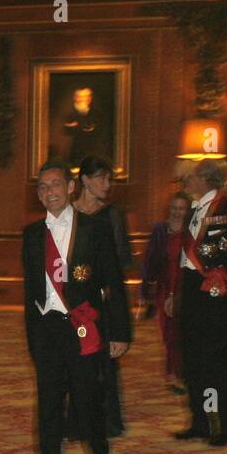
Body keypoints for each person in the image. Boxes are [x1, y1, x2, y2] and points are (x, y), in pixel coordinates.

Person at [23, 160, 130, 454]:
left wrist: (120, 332)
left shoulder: (94, 228)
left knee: (87, 402)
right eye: (42, 187)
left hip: (84, 327)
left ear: (70, 188)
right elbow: (30, 291)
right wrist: (33, 338)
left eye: (54, 184)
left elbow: (113, 281)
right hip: (48, 331)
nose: (48, 192)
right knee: (49, 406)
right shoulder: (32, 234)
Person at [174, 158, 227, 447]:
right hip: (193, 293)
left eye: (191, 177)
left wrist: (223, 278)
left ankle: (221, 427)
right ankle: (199, 422)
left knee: (215, 365)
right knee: (193, 362)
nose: (186, 181)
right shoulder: (194, 209)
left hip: (217, 298)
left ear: (206, 179)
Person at [72, 155, 133, 438]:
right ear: (84, 180)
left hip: (103, 301)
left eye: (109, 179)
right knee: (73, 359)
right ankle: (75, 419)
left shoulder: (111, 215)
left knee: (103, 360)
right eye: (101, 178)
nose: (107, 185)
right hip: (71, 300)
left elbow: (118, 266)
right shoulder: (68, 213)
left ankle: (106, 420)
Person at [142, 192, 189, 394]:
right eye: (174, 208)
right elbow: (150, 260)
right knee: (169, 333)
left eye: (181, 208)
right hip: (164, 286)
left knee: (182, 333)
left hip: (185, 289)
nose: (177, 212)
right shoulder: (160, 230)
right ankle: (172, 374)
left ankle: (180, 375)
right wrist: (147, 290)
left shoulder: (192, 231)